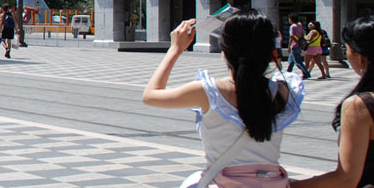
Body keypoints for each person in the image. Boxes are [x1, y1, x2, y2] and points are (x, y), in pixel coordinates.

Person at [142, 11, 301, 187]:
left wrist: (175, 49)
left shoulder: (209, 91)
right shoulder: (284, 90)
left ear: (225, 50)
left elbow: (150, 96)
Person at [293, 15, 374, 187]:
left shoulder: (360, 105)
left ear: (361, 57)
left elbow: (346, 179)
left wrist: (290, 186)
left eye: (347, 49)